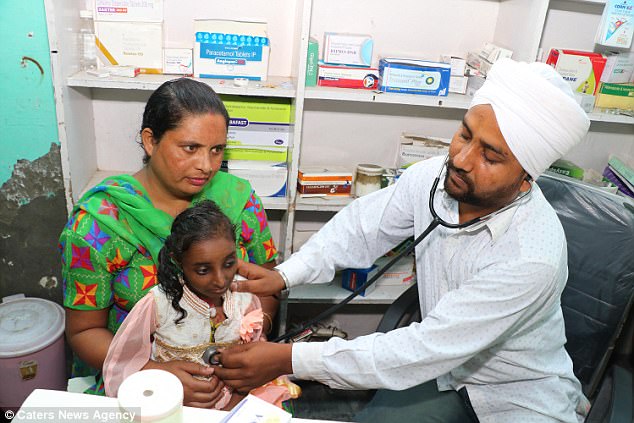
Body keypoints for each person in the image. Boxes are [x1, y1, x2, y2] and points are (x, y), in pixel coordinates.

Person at [213, 59, 592, 422]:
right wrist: (286, 275)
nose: (461, 159)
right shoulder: (435, 177)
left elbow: (423, 348)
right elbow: (362, 227)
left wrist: (288, 358)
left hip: (515, 395)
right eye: (464, 134)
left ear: (527, 176)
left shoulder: (531, 256)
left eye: (490, 156)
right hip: (441, 374)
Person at [58, 78, 279, 405]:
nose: (206, 166)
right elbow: (84, 332)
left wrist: (253, 337)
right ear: (150, 141)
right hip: (141, 382)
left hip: (237, 377)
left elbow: (269, 285)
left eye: (216, 150)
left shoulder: (240, 203)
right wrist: (153, 371)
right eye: (190, 148)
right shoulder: (97, 225)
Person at [102, 201, 299, 410]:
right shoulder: (158, 304)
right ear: (178, 262)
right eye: (203, 270)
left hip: (237, 403)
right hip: (174, 405)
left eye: (229, 263)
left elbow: (254, 359)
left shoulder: (246, 299)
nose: (221, 280)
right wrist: (164, 379)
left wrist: (235, 402)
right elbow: (121, 364)